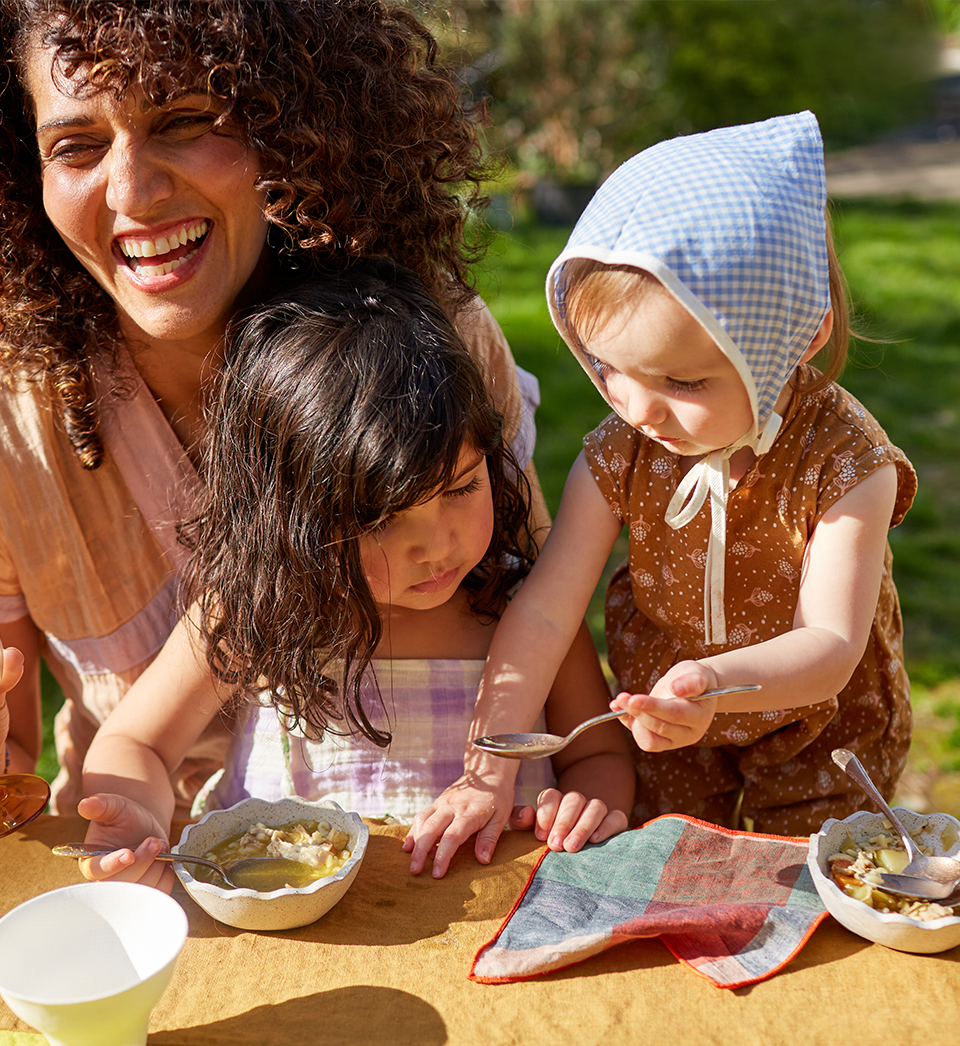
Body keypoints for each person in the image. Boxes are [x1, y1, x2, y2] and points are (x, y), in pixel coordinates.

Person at [0, 0, 549, 820]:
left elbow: (536, 609)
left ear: (295, 126)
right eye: (77, 146)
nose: (133, 191)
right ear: (16, 177)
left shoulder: (435, 348)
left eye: (184, 120)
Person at [406, 113, 916, 876]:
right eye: (609, 369)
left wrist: (715, 684)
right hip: (671, 726)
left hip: (822, 729)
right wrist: (489, 770)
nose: (640, 410)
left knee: (810, 890)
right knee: (677, 882)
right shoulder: (624, 453)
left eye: (683, 382)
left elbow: (831, 646)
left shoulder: (845, 461)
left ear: (796, 337)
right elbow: (545, 608)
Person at [71, 262, 633, 888]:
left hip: (487, 931)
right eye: (384, 520)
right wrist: (137, 818)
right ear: (294, 519)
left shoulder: (524, 610)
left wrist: (588, 801)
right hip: (287, 933)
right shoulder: (255, 610)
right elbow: (137, 744)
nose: (438, 545)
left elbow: (599, 752)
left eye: (463, 487)